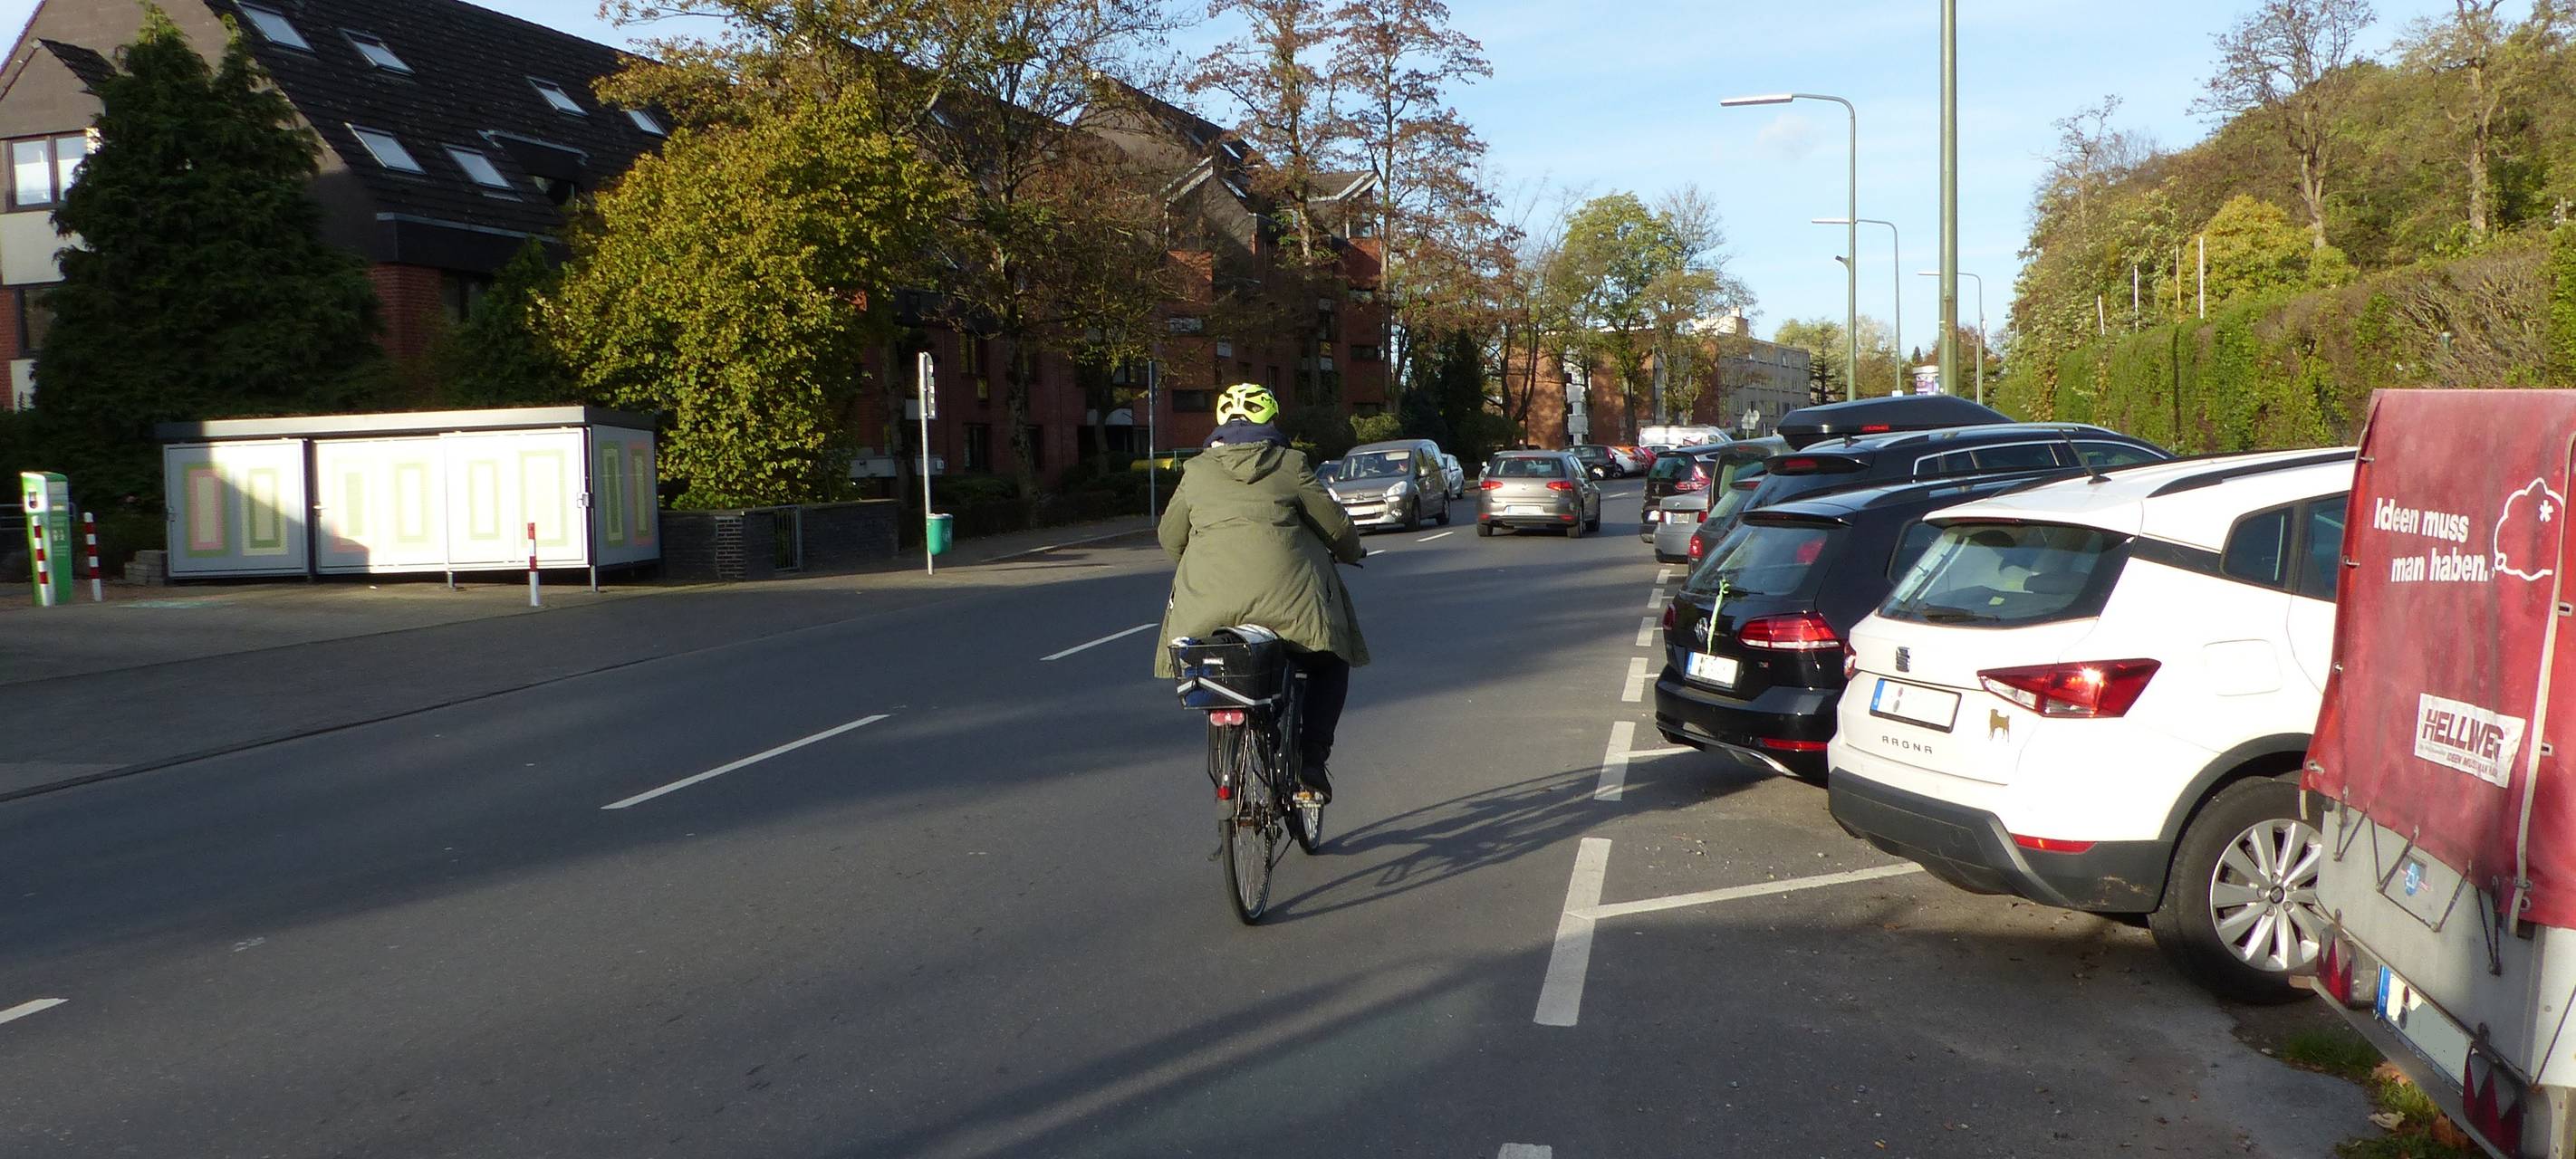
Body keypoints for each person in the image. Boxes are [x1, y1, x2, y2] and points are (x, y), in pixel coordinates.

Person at [1152, 383, 1368, 802]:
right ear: (1270, 421)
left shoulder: (1196, 471)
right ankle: (1310, 762)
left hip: (1207, 615)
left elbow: (1170, 538)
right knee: (1328, 663)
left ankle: (1238, 755)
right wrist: (1351, 551)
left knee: (1225, 671)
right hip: (1289, 611)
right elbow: (1337, 528)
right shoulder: (1291, 464)